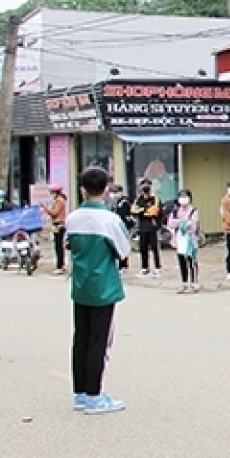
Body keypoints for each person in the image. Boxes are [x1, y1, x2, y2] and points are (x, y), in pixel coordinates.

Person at [66, 167, 132, 414]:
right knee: (99, 341)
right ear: (105, 190)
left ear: (82, 189)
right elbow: (124, 249)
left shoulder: (73, 218)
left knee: (81, 337)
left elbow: (69, 245)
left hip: (81, 284)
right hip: (103, 286)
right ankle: (95, 394)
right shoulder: (110, 220)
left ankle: (81, 392)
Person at [167, 189, 201, 293]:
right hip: (179, 239)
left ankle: (194, 283)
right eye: (181, 196)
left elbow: (193, 225)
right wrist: (183, 222)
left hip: (190, 239)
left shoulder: (193, 210)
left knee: (191, 261)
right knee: (181, 261)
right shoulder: (175, 211)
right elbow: (170, 223)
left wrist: (182, 223)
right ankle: (184, 283)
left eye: (185, 196)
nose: (183, 199)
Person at [130, 179, 163, 277]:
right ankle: (144, 268)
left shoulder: (155, 198)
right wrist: (144, 211)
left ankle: (157, 268)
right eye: (143, 185)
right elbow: (133, 210)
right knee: (143, 248)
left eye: (147, 185)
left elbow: (154, 211)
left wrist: (142, 211)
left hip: (152, 227)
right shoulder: (138, 199)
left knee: (154, 248)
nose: (145, 186)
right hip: (142, 227)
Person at [41, 184, 68, 274]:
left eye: (51, 192)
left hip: (58, 224)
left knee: (58, 245)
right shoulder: (57, 200)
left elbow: (54, 212)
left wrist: (45, 208)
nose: (50, 194)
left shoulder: (59, 200)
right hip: (55, 224)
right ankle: (61, 264)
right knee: (57, 244)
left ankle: (59, 266)